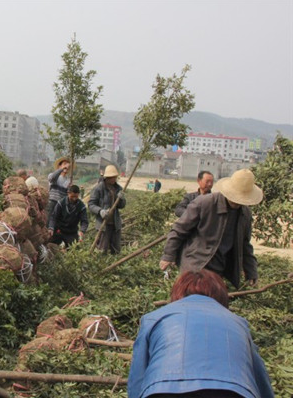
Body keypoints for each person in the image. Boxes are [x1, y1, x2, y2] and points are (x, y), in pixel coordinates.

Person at [128, 269, 274, 398]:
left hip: (163, 391)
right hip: (233, 392)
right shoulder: (238, 322)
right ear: (221, 295)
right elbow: (260, 378)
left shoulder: (155, 317)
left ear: (178, 293)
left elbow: (137, 377)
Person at [160, 169, 263, 288]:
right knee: (192, 296)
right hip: (195, 263)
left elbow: (245, 245)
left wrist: (251, 271)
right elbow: (179, 230)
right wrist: (168, 256)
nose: (237, 201)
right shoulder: (204, 203)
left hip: (220, 267)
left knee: (213, 298)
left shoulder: (245, 213)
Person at [88, 165, 126, 254]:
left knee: (116, 250)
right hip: (103, 224)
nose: (113, 179)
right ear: (107, 178)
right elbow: (91, 204)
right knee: (102, 250)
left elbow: (121, 206)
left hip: (115, 224)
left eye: (115, 177)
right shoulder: (99, 188)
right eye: (111, 177)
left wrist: (121, 199)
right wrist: (100, 211)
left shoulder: (118, 188)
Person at [47, 156, 72, 225]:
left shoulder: (68, 181)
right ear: (59, 166)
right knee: (48, 222)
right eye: (64, 164)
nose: (66, 166)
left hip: (61, 205)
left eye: (67, 165)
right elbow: (52, 178)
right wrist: (62, 169)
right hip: (52, 203)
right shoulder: (52, 175)